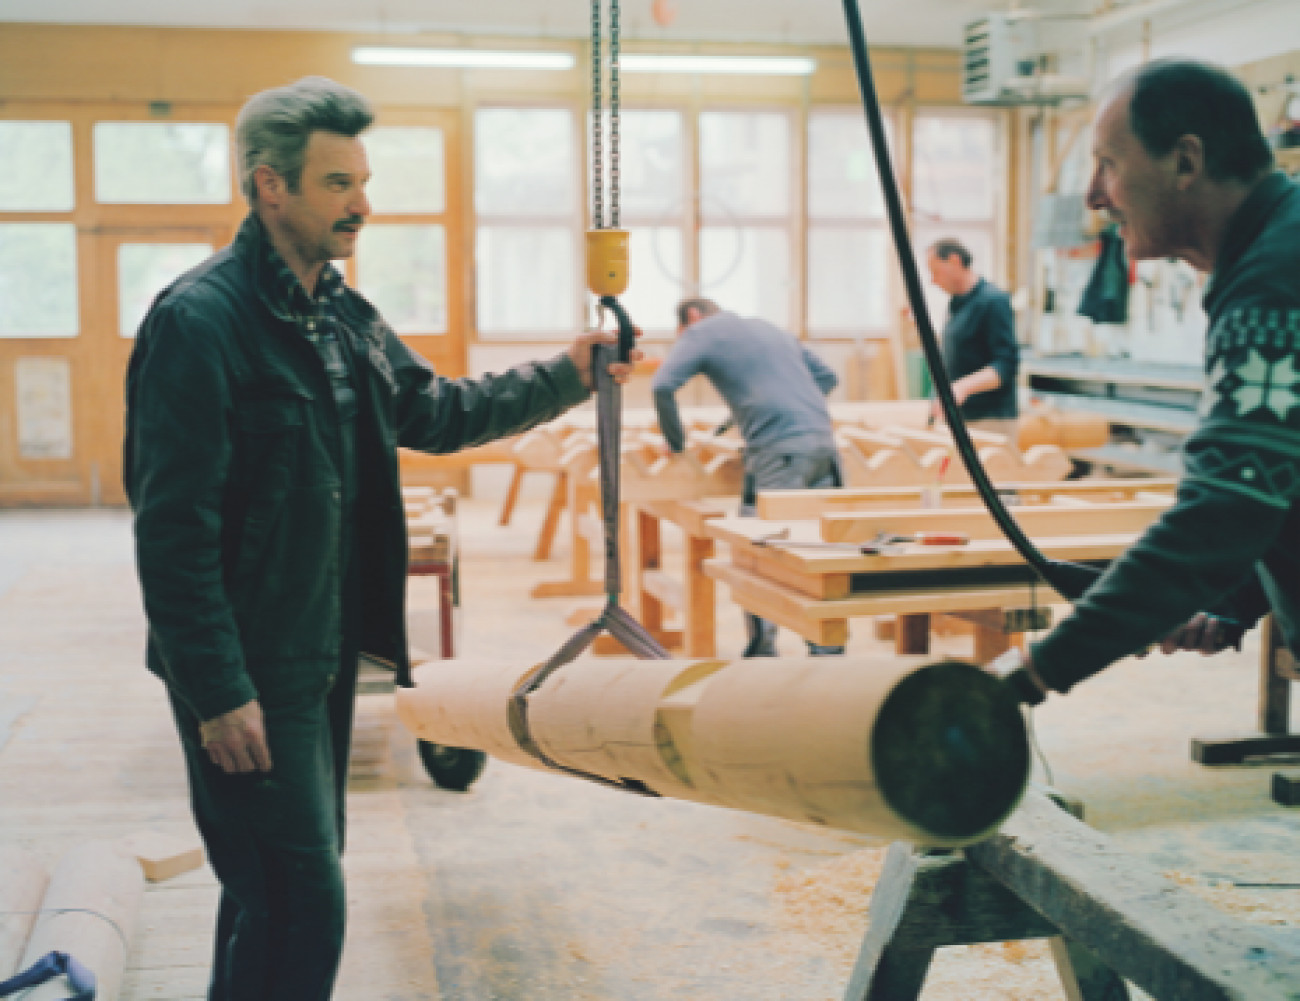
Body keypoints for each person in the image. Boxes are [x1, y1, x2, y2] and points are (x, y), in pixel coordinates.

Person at [123, 76, 635, 1001]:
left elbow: (436, 410)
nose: (363, 204)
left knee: (272, 895)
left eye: (362, 180)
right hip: (250, 669)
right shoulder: (200, 323)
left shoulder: (338, 315)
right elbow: (172, 530)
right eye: (336, 184)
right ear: (270, 186)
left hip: (319, 655)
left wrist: (566, 373)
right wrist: (217, 689)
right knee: (298, 900)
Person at [993, 59, 1295, 706]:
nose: (1094, 196)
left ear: (1185, 162)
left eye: (1108, 164)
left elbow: (1224, 512)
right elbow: (1280, 482)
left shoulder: (1274, 286)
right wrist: (1235, 595)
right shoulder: (1274, 253)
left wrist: (1034, 673)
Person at [651, 298, 843, 657]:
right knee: (821, 550)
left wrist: (675, 444)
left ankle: (763, 650)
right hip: (824, 446)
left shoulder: (701, 331)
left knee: (759, 551)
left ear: (691, 317)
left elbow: (662, 385)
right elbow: (828, 377)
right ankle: (827, 653)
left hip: (780, 453)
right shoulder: (768, 327)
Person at [925, 238, 1020, 436]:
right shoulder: (955, 304)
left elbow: (1005, 365)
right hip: (961, 417)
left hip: (990, 420)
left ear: (954, 261)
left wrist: (962, 387)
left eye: (935, 272)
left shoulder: (993, 301)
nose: (933, 281)